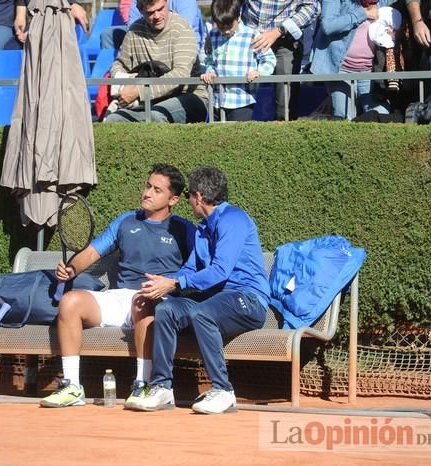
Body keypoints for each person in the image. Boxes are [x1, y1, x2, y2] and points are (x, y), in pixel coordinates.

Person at [39, 164, 196, 408]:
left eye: (157, 190)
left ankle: (143, 385)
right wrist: (71, 269)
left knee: (142, 300)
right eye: (147, 186)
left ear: (173, 199)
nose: (147, 193)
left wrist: (172, 285)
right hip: (119, 297)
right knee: (70, 302)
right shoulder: (125, 221)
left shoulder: (184, 229)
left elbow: (199, 267)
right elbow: (91, 253)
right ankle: (72, 386)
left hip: (156, 299)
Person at [129, 166, 271, 415]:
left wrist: (175, 284)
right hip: (213, 301)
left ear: (197, 197)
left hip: (248, 300)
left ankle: (223, 391)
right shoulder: (203, 230)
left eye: (189, 198)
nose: (189, 203)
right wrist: (162, 283)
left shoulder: (234, 219)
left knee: (201, 313)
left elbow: (220, 271)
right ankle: (161, 388)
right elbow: (190, 269)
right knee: (167, 309)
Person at [103, 0, 209, 123]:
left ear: (167, 2)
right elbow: (119, 64)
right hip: (150, 100)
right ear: (140, 10)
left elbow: (180, 75)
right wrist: (124, 80)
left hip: (188, 96)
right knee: (113, 119)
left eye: (161, 9)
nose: (157, 16)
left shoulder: (182, 28)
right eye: (151, 12)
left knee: (156, 116)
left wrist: (139, 91)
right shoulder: (134, 31)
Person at [310, 0, 394, 120]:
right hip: (340, 69)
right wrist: (362, 13)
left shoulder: (384, 1)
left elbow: (396, 20)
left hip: (372, 71)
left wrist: (395, 32)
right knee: (344, 119)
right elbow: (328, 26)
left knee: (381, 116)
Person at [242, 0, 320, 120]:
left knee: (285, 107)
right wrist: (215, 34)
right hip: (248, 40)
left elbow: (313, 7)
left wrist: (279, 30)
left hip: (285, 43)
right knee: (238, 98)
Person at [201, 0, 277, 121]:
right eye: (221, 27)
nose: (225, 31)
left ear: (239, 17)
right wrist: (210, 70)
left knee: (238, 137)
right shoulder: (212, 35)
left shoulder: (252, 35)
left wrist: (259, 72)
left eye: (229, 26)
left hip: (242, 100)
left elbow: (269, 59)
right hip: (217, 100)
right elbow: (209, 59)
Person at [101, 0, 205, 55]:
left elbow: (182, 30)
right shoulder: (138, 2)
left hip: (179, 46)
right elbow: (133, 28)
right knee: (109, 34)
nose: (156, 15)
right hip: (149, 41)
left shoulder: (185, 3)